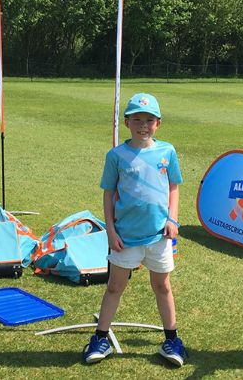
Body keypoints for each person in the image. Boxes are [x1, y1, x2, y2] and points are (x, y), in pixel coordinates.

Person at [82, 93, 185, 367]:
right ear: (126, 122)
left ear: (158, 124)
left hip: (159, 236)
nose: (143, 125)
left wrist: (172, 219)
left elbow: (174, 186)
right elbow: (109, 193)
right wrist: (110, 230)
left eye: (149, 120)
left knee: (162, 286)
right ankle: (100, 338)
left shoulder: (167, 152)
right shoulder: (116, 155)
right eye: (137, 120)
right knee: (115, 286)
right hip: (125, 237)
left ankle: (172, 340)